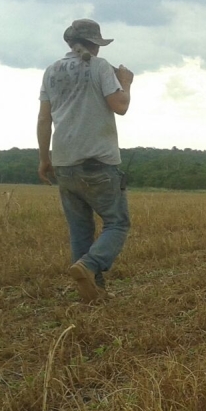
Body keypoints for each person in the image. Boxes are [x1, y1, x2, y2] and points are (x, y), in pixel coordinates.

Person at [37, 19, 134, 303]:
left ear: (70, 43)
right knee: (117, 223)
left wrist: (44, 158)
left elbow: (44, 119)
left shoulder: (51, 71)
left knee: (80, 230)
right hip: (98, 162)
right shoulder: (100, 67)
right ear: (96, 45)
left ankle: (92, 293)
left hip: (64, 162)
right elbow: (120, 106)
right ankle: (89, 265)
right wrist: (126, 83)